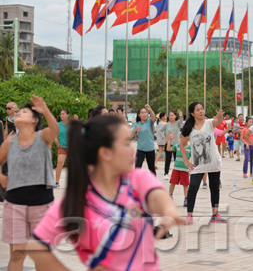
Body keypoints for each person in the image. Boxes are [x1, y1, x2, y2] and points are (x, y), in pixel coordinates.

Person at [27, 115, 184, 270]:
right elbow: (36, 246)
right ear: (105, 153)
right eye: (126, 143)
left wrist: (169, 213)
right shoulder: (77, 200)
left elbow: (157, 197)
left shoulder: (137, 179)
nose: (132, 150)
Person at [0, 96, 58, 271]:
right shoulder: (10, 141)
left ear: (34, 120)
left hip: (41, 204)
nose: (19, 113)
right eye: (18, 112)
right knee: (17, 254)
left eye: (24, 112)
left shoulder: (43, 137)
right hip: (15, 204)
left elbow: (54, 129)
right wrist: (2, 179)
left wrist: (45, 110)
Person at [180, 102, 226, 224]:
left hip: (213, 162)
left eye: (202, 109)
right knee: (193, 187)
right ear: (192, 113)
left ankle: (215, 214)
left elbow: (218, 121)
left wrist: (220, 116)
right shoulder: (189, 128)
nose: (201, 111)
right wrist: (186, 161)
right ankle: (189, 215)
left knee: (214, 188)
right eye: (197, 110)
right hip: (197, 164)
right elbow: (182, 144)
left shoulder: (209, 123)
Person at [157, 110, 183, 180]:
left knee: (177, 160)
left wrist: (181, 116)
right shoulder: (167, 124)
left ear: (175, 116)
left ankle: (177, 174)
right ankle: (166, 174)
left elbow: (181, 121)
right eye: (170, 115)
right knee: (167, 160)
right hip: (168, 144)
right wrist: (164, 138)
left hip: (176, 145)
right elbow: (159, 131)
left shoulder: (177, 123)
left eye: (172, 115)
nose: (170, 117)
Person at [166, 132, 189, 207]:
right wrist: (169, 140)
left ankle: (186, 198)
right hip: (176, 169)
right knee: (172, 183)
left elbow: (194, 159)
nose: (182, 139)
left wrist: (191, 169)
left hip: (185, 170)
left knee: (185, 185)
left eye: (184, 137)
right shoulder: (177, 146)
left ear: (188, 139)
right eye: (181, 137)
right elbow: (168, 149)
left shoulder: (190, 148)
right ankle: (170, 196)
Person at [132, 104, 156, 175]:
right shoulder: (137, 124)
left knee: (151, 168)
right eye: (142, 113)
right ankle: (135, 183)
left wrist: (150, 109)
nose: (144, 114)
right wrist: (135, 130)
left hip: (150, 148)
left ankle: (154, 184)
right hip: (140, 149)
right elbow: (131, 136)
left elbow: (153, 117)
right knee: (137, 168)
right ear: (139, 115)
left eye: (145, 112)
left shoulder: (149, 122)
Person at [54, 109, 71, 188]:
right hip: (62, 147)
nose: (61, 115)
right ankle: (56, 182)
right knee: (59, 163)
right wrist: (56, 141)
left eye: (63, 114)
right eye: (61, 114)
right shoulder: (58, 124)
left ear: (67, 115)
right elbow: (53, 133)